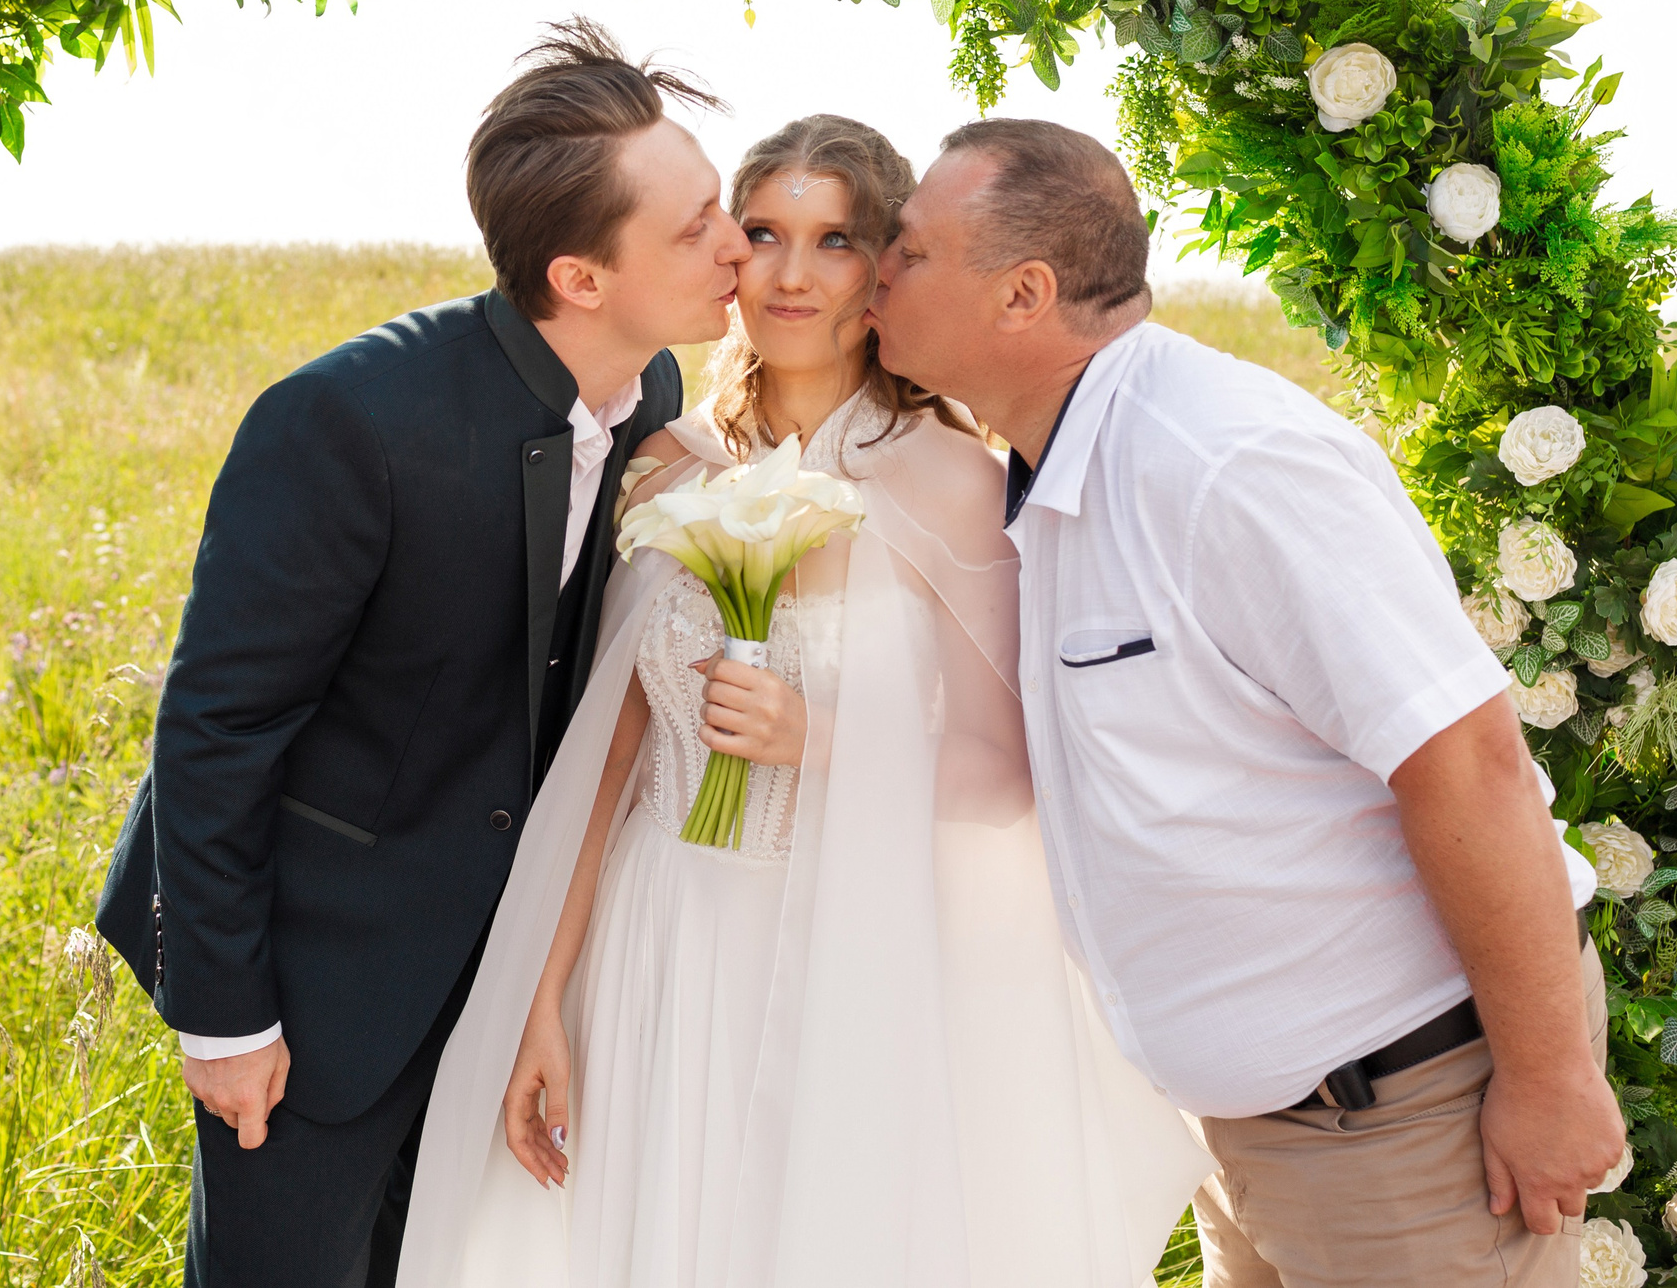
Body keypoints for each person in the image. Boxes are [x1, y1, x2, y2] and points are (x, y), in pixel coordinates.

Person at [398, 116, 1213, 1288]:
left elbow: (1011, 769)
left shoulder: (956, 478)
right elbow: (612, 758)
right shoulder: (670, 462)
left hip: (857, 954)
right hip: (658, 937)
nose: (788, 273)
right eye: (765, 231)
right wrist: (543, 999)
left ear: (883, 267)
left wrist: (819, 737)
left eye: (833, 241)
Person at [867, 118, 1626, 1288]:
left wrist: (1548, 1077)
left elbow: (1465, 758)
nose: (876, 265)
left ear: (1023, 293)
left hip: (1410, 1124)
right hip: (1265, 1136)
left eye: (909, 249)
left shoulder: (1221, 463)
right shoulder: (1053, 460)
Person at [94, 21, 753, 1288]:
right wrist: (225, 1016)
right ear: (579, 276)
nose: (734, 246)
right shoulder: (344, 420)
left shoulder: (655, 404)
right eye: (693, 229)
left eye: (717, 205)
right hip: (313, 972)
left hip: (501, 969)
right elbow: (218, 727)